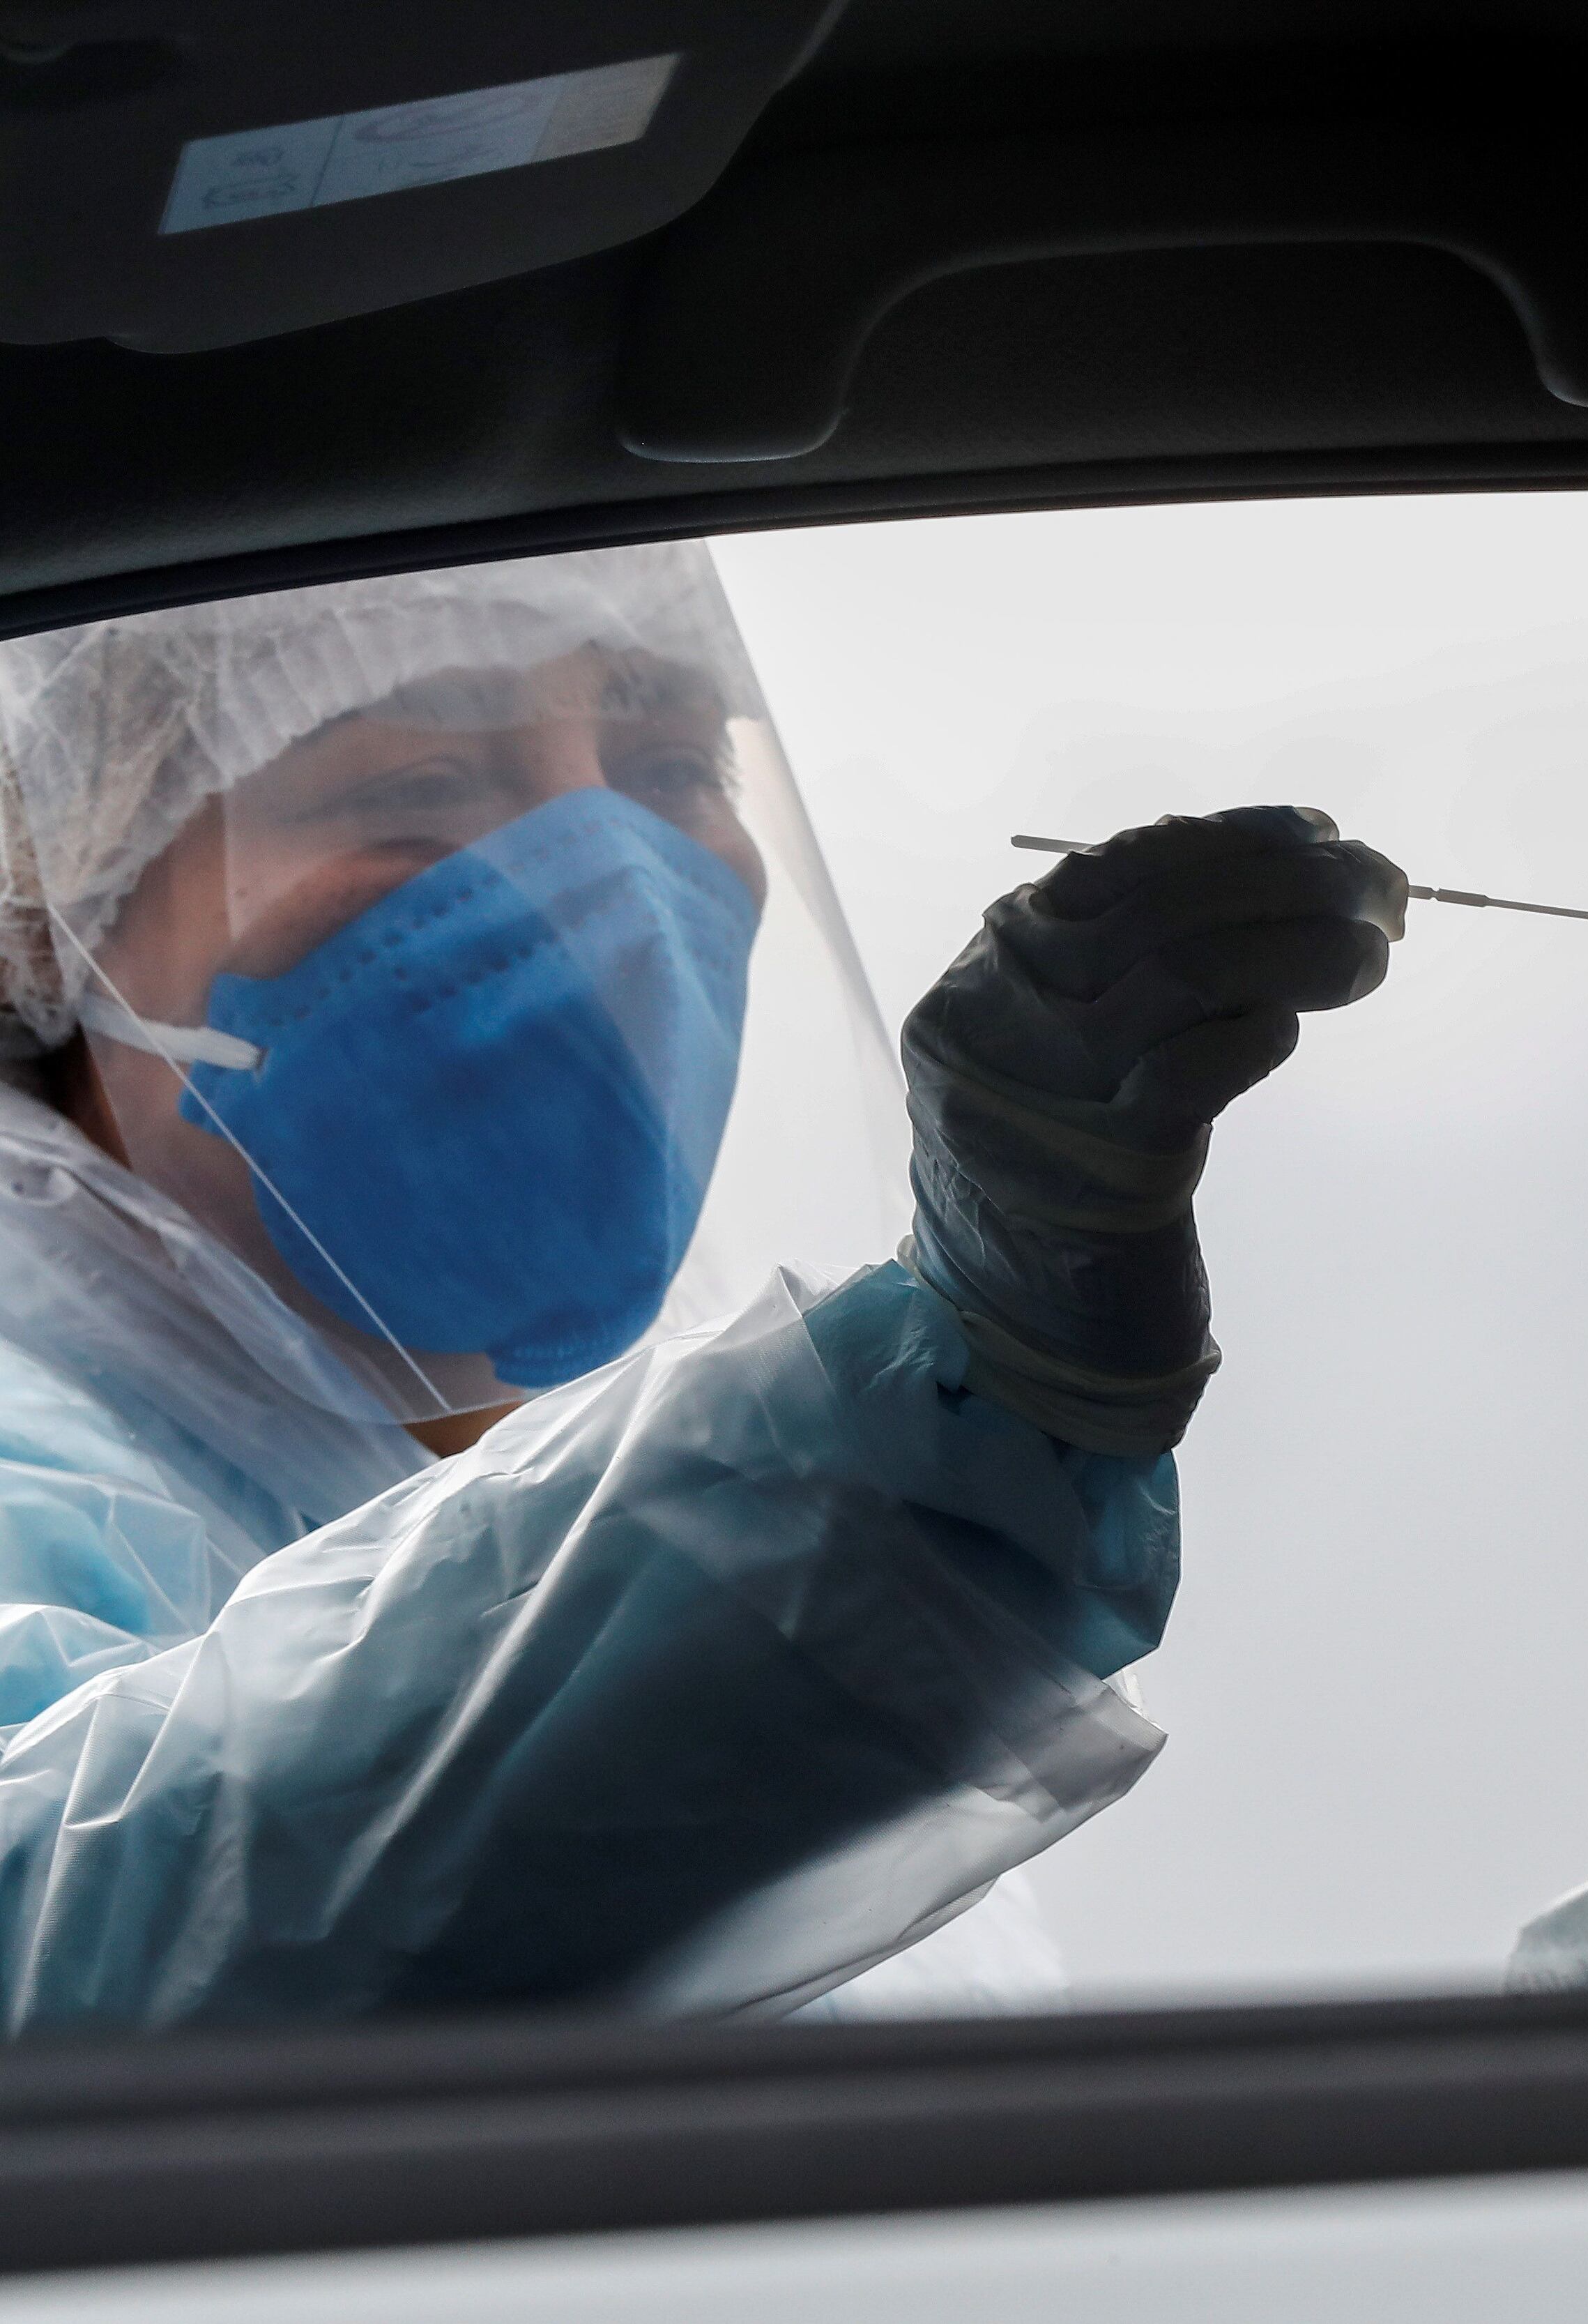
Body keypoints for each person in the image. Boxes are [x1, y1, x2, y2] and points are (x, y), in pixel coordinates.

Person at [0, 543, 1403, 2030]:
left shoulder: (643, 1442)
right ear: (61, 904)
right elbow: (71, 1954)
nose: (602, 875)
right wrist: (954, 1405)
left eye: (670, 764)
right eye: (409, 785)